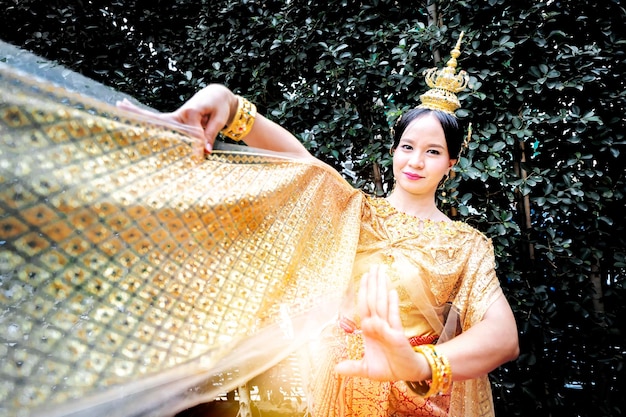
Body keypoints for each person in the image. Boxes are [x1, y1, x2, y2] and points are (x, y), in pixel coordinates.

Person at [118, 34, 519, 417]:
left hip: (410, 399)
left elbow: (502, 337)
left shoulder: (465, 244)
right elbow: (301, 162)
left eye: (432, 152)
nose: (415, 161)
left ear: (451, 163)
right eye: (407, 147)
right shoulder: (356, 211)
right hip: (334, 384)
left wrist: (415, 364)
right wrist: (227, 102)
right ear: (394, 150)